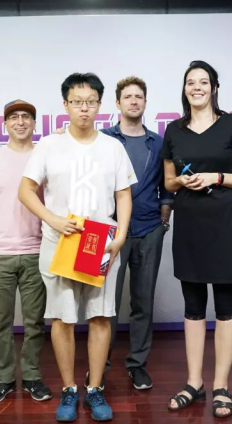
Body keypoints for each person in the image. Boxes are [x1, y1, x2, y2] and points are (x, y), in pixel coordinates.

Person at [19, 73, 135, 422]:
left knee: (100, 316)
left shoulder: (113, 147)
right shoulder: (49, 145)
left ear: (100, 105)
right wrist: (52, 219)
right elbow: (25, 191)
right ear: (65, 105)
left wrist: (121, 236)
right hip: (61, 243)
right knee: (62, 317)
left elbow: (123, 195)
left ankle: (95, 388)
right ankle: (69, 389)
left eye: (90, 102)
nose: (84, 108)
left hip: (101, 243)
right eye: (77, 102)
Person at [161, 61, 232, 418]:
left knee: (226, 305)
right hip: (190, 225)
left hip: (226, 225)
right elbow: (168, 182)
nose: (197, 87)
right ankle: (194, 382)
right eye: (191, 82)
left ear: (214, 88)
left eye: (204, 82)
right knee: (193, 305)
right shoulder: (174, 130)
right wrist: (182, 181)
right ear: (184, 88)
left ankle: (221, 385)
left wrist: (216, 177)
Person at [0, 99, 52, 406]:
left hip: (37, 252)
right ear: (5, 124)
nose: (21, 122)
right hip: (0, 254)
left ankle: (32, 376)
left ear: (34, 123)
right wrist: (5, 229)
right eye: (14, 117)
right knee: (0, 323)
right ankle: (3, 379)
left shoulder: (45, 157)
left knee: (35, 322)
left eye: (26, 117)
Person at [101, 76, 173, 390]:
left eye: (138, 97)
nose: (133, 101)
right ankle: (99, 367)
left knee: (143, 302)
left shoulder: (158, 142)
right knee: (105, 303)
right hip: (110, 231)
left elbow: (167, 185)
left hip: (148, 229)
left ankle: (137, 365)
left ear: (145, 102)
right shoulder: (103, 139)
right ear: (117, 103)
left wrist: (164, 219)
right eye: (128, 97)